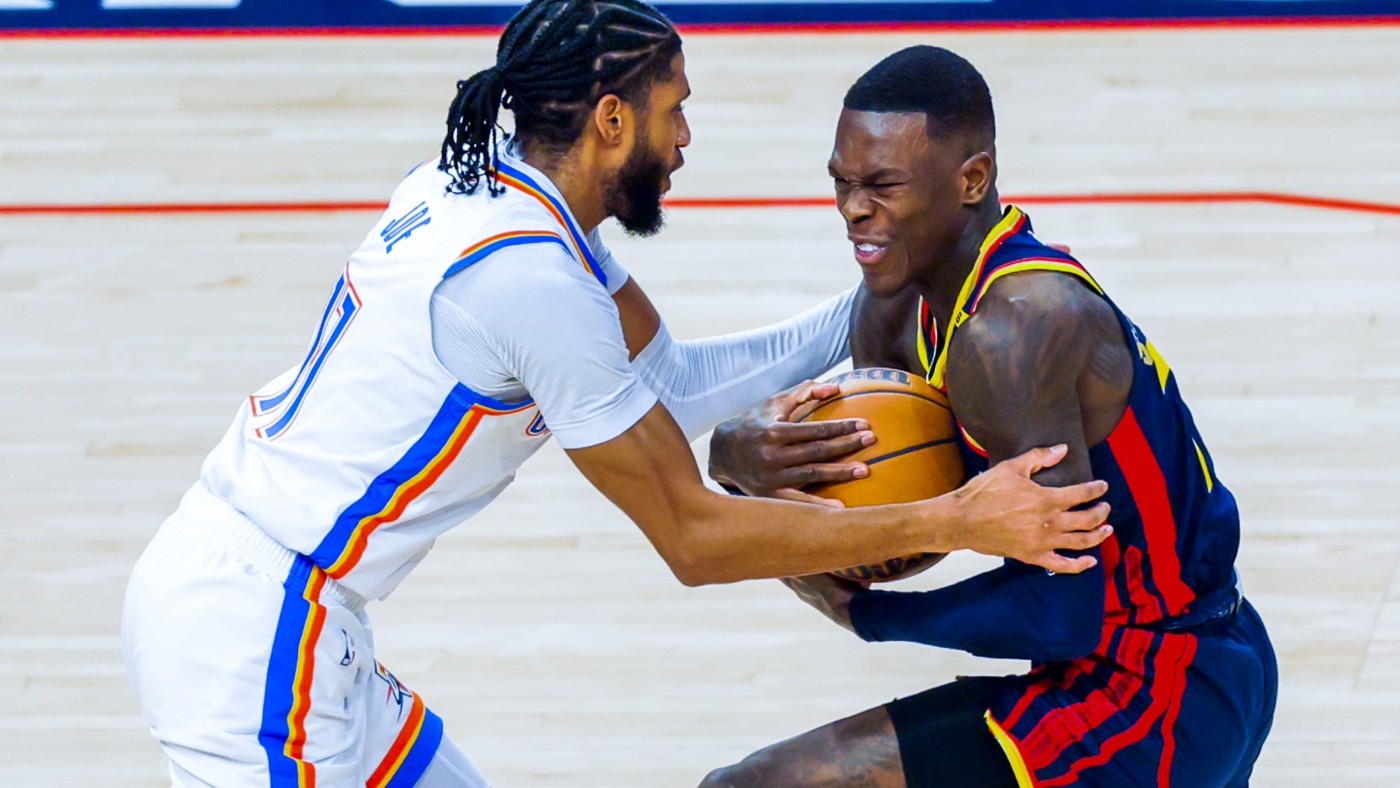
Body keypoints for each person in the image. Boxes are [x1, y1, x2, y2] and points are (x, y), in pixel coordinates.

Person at [120, 6, 1114, 785]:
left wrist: (902, 276)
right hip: (252, 634)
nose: (684, 138)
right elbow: (693, 538)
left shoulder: (488, 194)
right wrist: (953, 520)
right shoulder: (530, 284)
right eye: (673, 109)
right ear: (611, 120)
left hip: (290, 609)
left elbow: (674, 383)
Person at [703, 46, 1277, 788]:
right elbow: (895, 507)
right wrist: (740, 464)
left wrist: (868, 615)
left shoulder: (1015, 331)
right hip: (1121, 663)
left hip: (1159, 686)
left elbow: (1060, 613)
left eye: (882, 185)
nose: (853, 209)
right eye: (842, 182)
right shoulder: (894, 309)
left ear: (972, 179)